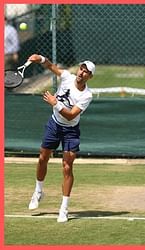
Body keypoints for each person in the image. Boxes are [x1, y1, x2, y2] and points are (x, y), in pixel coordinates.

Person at [27, 54, 95, 223]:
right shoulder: (66, 77)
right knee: (43, 158)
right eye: (81, 69)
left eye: (86, 72)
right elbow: (51, 66)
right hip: (54, 124)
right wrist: (40, 58)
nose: (81, 73)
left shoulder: (87, 95)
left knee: (67, 166)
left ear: (90, 77)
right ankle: (38, 191)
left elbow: (71, 116)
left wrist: (54, 102)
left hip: (70, 130)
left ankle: (64, 209)